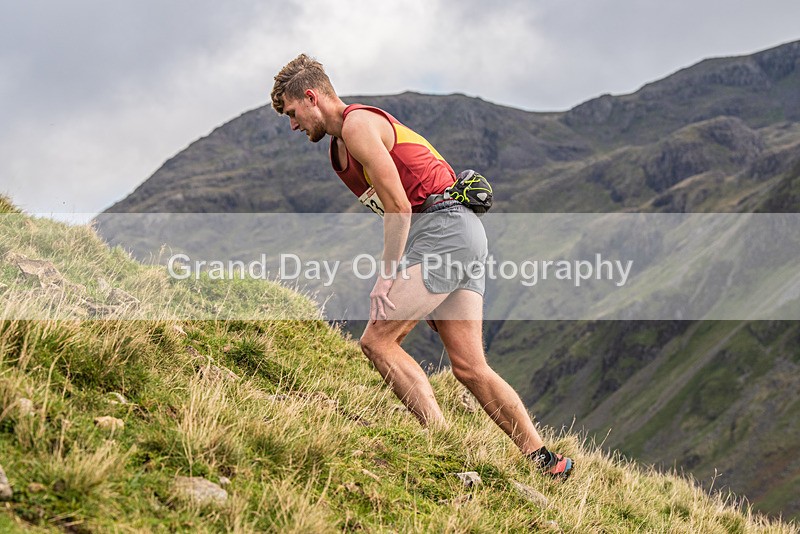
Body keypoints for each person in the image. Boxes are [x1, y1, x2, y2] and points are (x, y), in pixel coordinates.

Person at [270, 53, 573, 479]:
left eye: (292, 113)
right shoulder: (339, 151)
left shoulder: (357, 126)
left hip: (444, 231)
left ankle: (442, 443)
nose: (293, 124)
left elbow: (397, 206)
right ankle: (545, 461)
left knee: (377, 341)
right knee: (469, 367)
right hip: (459, 235)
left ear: (311, 95)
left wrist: (390, 274)